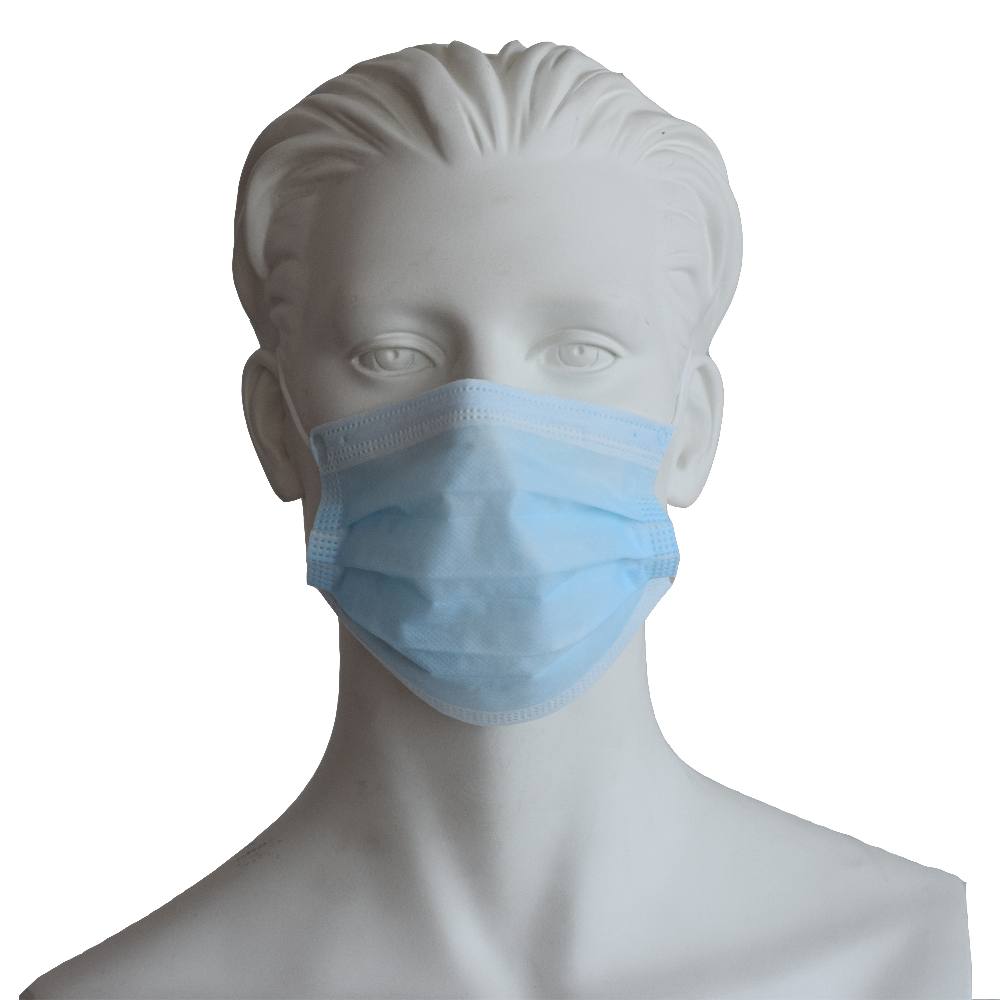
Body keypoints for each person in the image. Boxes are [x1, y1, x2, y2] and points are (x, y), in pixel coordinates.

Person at [23, 39, 971, 999]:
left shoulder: (903, 957)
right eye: (393, 354)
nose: (485, 433)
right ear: (277, 426)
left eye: (580, 350)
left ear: (690, 429)